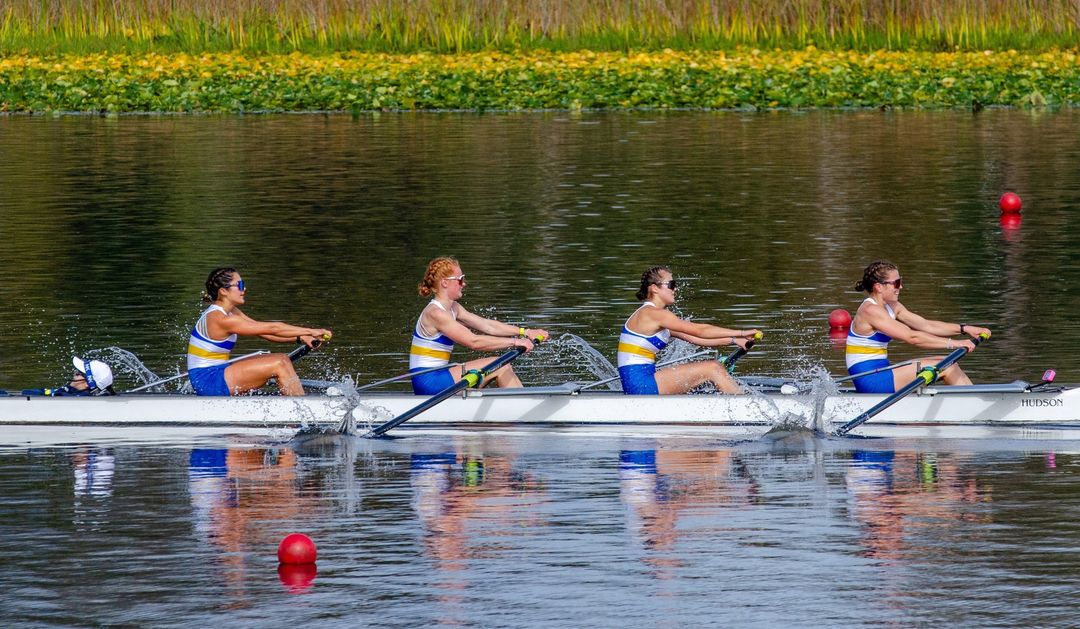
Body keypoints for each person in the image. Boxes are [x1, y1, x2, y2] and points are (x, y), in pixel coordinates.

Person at [846, 260, 991, 393]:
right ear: (879, 287)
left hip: (882, 370)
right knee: (948, 366)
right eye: (896, 283)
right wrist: (956, 343)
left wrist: (964, 329)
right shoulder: (870, 310)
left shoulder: (892, 306)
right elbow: (912, 337)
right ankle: (974, 403)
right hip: (869, 378)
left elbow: (926, 325)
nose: (901, 286)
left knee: (949, 362)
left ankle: (970, 398)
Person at [409, 257, 548, 395]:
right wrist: (516, 342)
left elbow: (487, 326)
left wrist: (525, 331)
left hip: (441, 375)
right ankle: (522, 407)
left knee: (499, 365)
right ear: (445, 283)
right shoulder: (435, 313)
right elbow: (473, 341)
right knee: (501, 365)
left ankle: (517, 403)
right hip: (429, 381)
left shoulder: (454, 308)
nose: (463, 284)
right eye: (460, 279)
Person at [187, 267, 332, 396]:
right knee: (280, 362)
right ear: (223, 291)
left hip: (218, 372)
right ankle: (301, 414)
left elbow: (264, 333)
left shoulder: (230, 312)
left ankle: (296, 404)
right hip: (208, 381)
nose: (244, 289)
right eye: (240, 285)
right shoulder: (219, 318)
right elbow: (273, 328)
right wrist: (312, 331)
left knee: (282, 360)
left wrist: (301, 338)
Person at [618, 266, 761, 395]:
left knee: (708, 375)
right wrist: (741, 332)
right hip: (640, 385)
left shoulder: (655, 316)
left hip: (641, 381)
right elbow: (700, 330)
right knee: (712, 368)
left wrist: (736, 341)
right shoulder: (652, 313)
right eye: (671, 285)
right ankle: (746, 407)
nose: (675, 289)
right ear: (655, 288)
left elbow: (697, 339)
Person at [22, 356, 116, 396]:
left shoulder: (69, 397)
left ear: (88, 384)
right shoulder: (70, 392)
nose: (74, 374)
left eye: (78, 373)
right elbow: (26, 392)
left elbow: (25, 393)